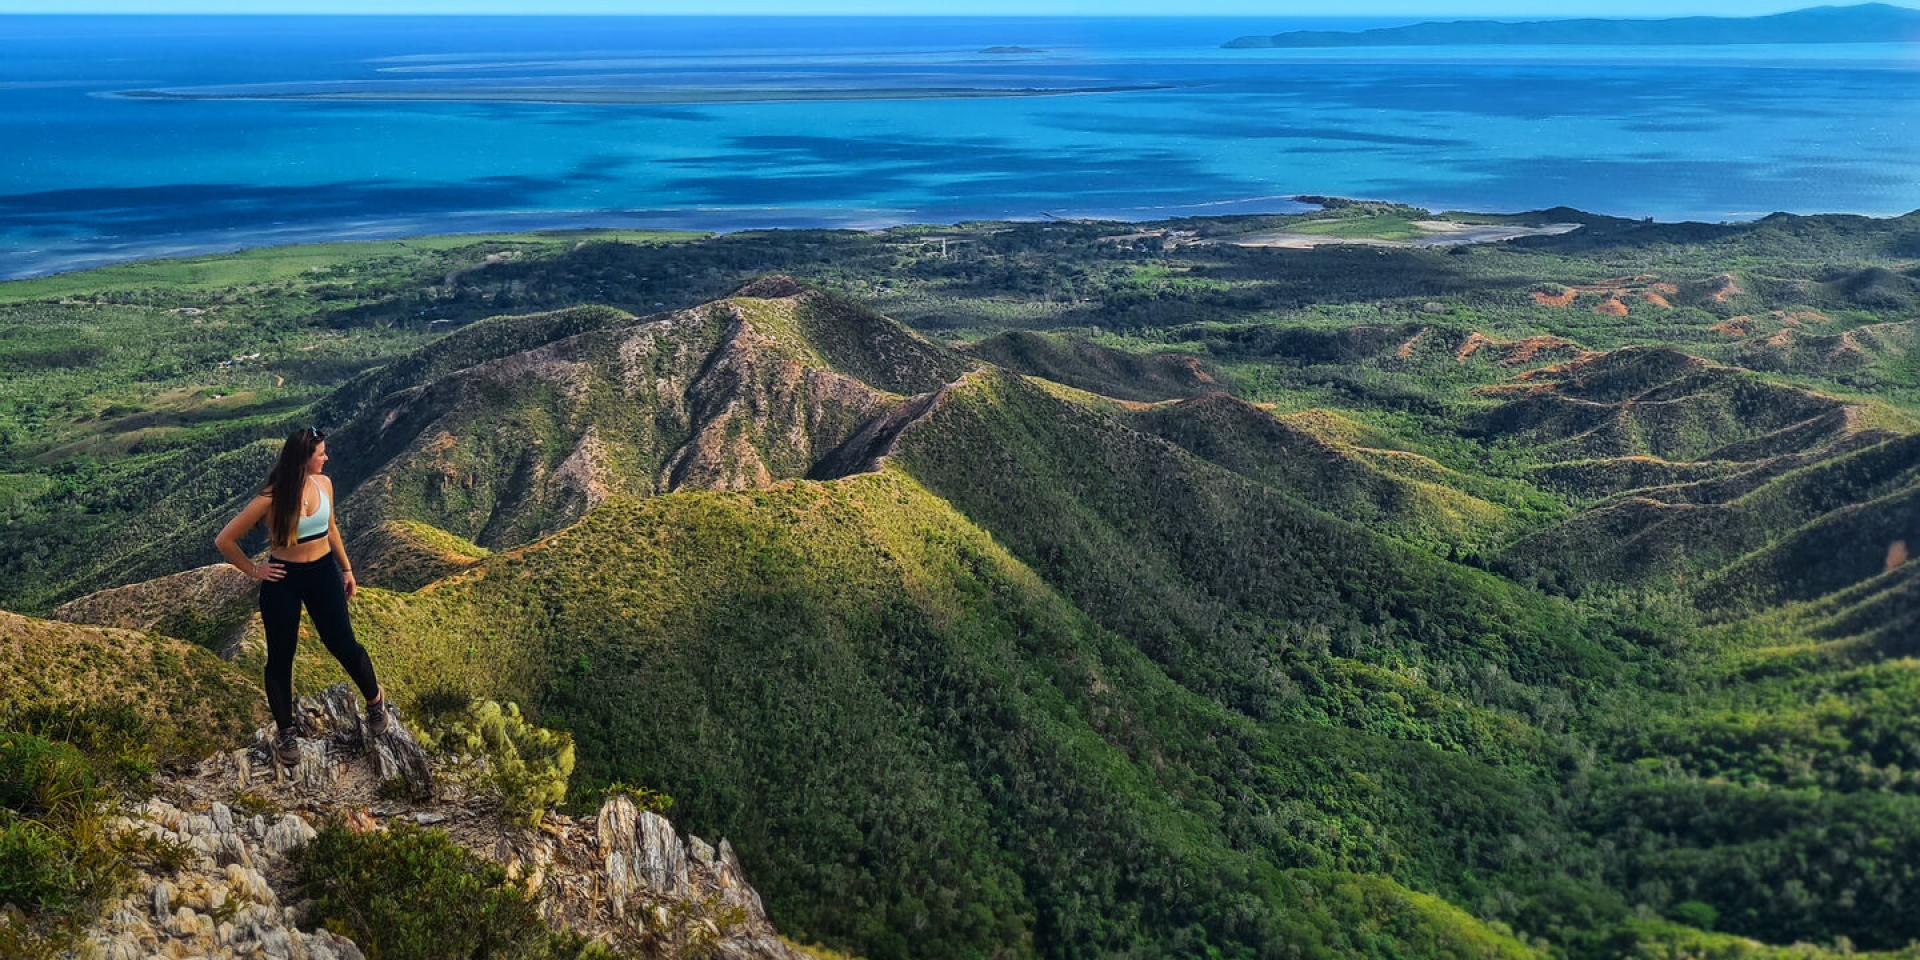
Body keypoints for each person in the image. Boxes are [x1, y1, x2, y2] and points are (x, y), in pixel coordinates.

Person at [214, 425, 389, 766]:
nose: (327, 457)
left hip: (323, 572)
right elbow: (224, 540)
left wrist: (348, 569)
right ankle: (286, 732)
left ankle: (375, 701)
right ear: (304, 458)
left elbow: (332, 526)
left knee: (343, 643)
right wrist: (254, 571)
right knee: (281, 657)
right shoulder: (271, 498)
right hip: (283, 579)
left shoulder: (324, 483)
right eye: (321, 452)